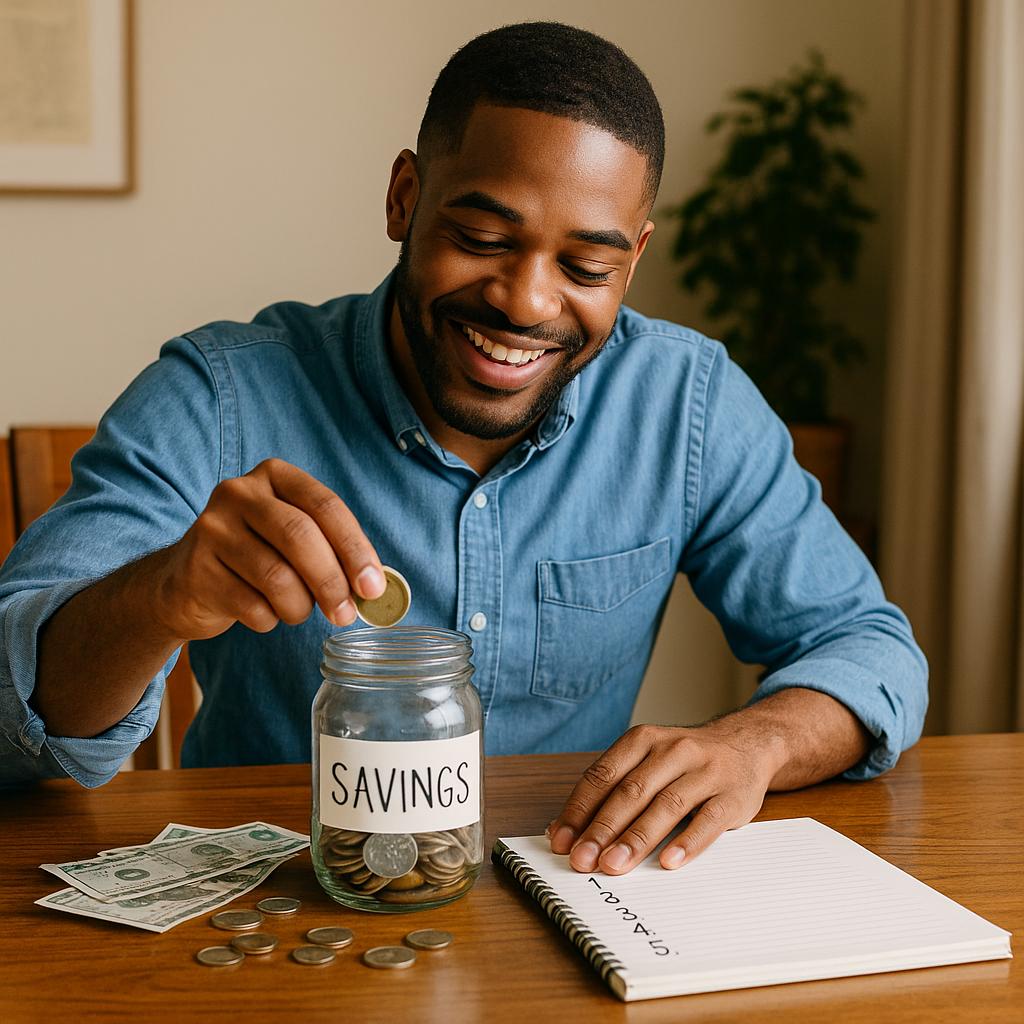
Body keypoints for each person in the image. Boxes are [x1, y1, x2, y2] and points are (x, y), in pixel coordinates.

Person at [0, 22, 926, 877]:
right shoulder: (220, 396)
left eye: (586, 268)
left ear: (634, 259)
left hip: (567, 909)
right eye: (482, 238)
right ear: (406, 197)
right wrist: (163, 594)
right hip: (285, 911)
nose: (526, 303)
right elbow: (13, 717)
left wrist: (752, 743)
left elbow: (869, 651)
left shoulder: (687, 404)